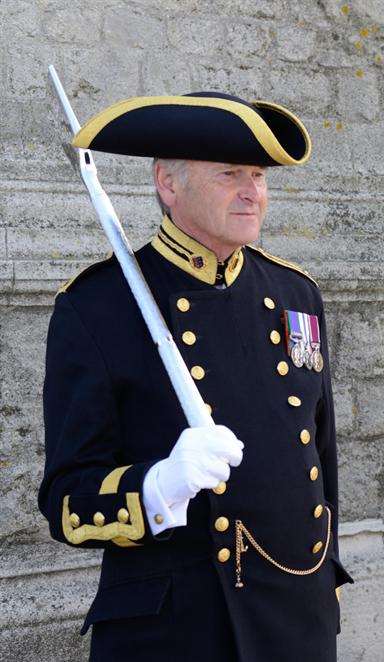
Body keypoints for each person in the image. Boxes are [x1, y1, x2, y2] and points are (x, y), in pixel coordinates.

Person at [38, 92, 351, 661]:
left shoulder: (294, 293)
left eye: (258, 175)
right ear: (168, 183)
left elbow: (320, 461)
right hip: (181, 629)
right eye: (229, 173)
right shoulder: (99, 307)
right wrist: (158, 487)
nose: (252, 191)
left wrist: (324, 581)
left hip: (296, 616)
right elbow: (66, 501)